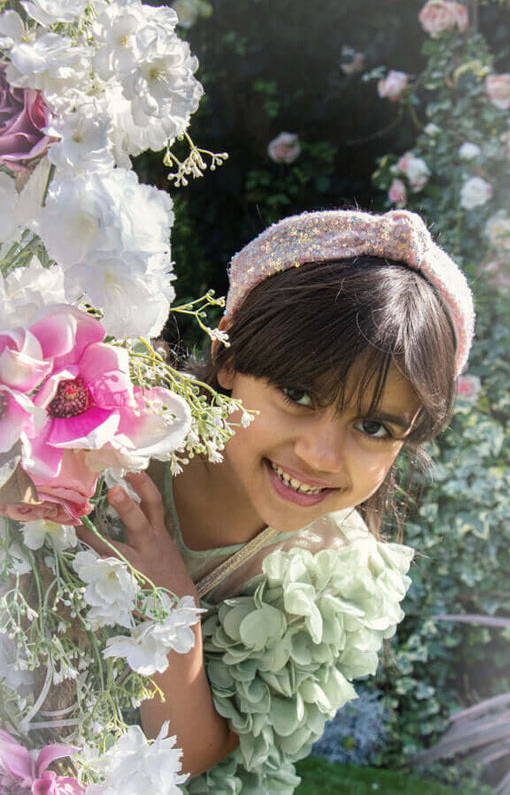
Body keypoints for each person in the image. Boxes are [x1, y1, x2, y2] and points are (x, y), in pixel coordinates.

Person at [79, 208, 474, 793]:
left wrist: (168, 605)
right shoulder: (118, 430)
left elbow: (191, 755)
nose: (320, 455)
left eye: (373, 428)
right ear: (230, 358)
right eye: (297, 393)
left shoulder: (330, 578)